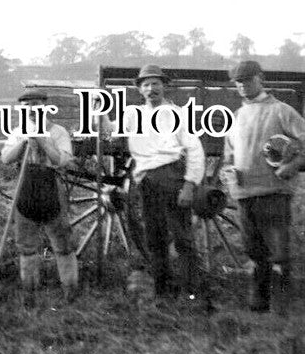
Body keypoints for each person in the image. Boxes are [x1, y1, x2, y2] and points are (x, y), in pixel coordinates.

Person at [224, 60, 305, 312]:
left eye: (247, 80)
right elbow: (229, 157)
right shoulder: (236, 117)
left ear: (260, 78)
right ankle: (259, 305)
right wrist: (231, 180)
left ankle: (282, 309)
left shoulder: (281, 110)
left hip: (274, 193)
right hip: (245, 195)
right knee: (253, 251)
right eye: (238, 82)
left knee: (278, 252)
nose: (242, 85)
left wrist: (291, 167)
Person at [124, 64, 205, 303]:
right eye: (146, 85)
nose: (151, 89)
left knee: (182, 238)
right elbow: (111, 133)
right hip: (146, 182)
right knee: (155, 238)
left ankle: (191, 292)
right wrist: (98, 113)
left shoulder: (178, 114)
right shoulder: (132, 115)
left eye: (155, 84)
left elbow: (195, 150)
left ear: (164, 86)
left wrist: (190, 185)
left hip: (172, 177)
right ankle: (163, 292)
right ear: (140, 89)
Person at [1, 88, 77, 304]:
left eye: (36, 105)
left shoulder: (58, 132)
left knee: (63, 243)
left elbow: (61, 161)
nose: (32, 110)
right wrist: (24, 141)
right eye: (27, 107)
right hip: (26, 187)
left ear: (46, 107)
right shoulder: (17, 131)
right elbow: (6, 158)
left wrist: (42, 140)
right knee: (26, 246)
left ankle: (70, 293)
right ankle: (29, 295)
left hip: (52, 185)